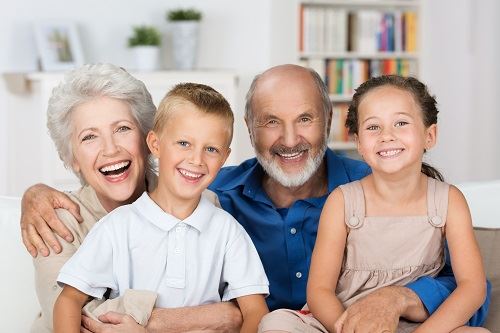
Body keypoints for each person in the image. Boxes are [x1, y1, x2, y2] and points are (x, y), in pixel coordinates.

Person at [21, 65, 490, 333]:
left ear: (329, 123)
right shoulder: (213, 195)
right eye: (270, 122)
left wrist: (399, 298)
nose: (290, 139)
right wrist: (35, 191)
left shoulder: (376, 186)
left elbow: (469, 288)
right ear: (248, 132)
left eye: (305, 119)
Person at [260, 75, 490, 333]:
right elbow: (319, 291)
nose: (386, 136)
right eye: (373, 127)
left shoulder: (449, 200)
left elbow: (472, 287)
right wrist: (347, 328)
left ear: (430, 135)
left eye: (401, 123)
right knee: (276, 322)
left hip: (414, 325)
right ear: (358, 142)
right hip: (342, 321)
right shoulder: (343, 201)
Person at [30, 63, 244, 333]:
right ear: (73, 159)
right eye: (89, 137)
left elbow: (243, 307)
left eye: (122, 129)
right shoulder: (54, 220)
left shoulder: (203, 204)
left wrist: (232, 313)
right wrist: (214, 315)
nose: (110, 149)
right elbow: (75, 320)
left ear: (149, 139)